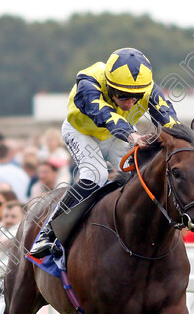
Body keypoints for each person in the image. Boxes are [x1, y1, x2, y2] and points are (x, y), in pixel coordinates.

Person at [31, 48, 182, 257]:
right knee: (95, 175)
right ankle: (48, 234)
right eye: (123, 96)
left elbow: (168, 116)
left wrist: (185, 141)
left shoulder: (145, 85)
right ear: (110, 86)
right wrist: (132, 136)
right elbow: (105, 116)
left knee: (141, 174)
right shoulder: (87, 83)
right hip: (82, 132)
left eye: (136, 97)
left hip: (116, 136)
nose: (130, 103)